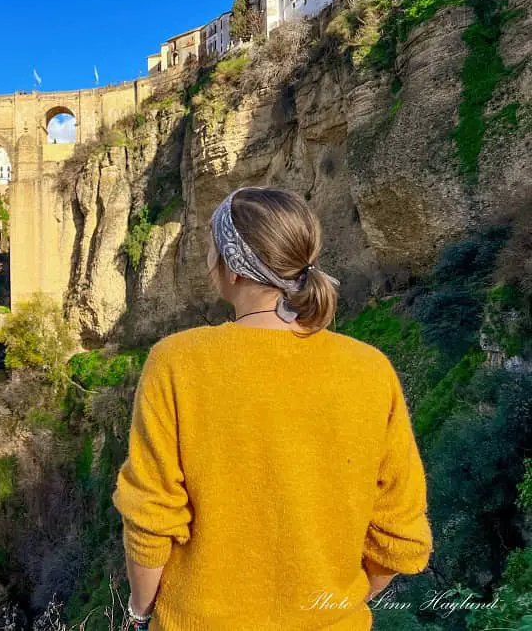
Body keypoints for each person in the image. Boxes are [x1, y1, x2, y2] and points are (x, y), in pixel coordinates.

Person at [112, 186, 433, 631]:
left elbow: (151, 519)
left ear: (233, 270)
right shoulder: (370, 369)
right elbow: (399, 535)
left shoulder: (178, 361)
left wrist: (138, 613)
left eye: (211, 248)